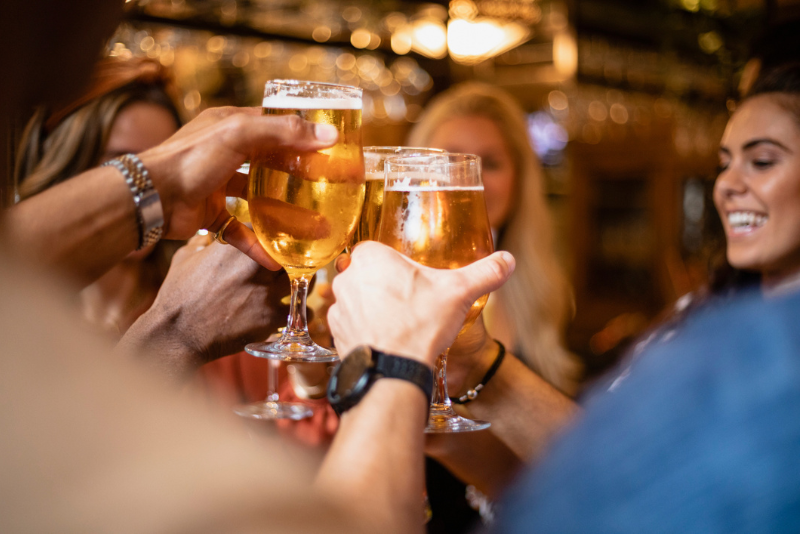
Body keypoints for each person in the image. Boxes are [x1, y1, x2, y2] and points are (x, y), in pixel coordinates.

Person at [408, 82, 579, 396]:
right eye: (449, 160)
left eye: (490, 163)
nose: (468, 178)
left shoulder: (550, 291)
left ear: (520, 181)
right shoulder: (391, 284)